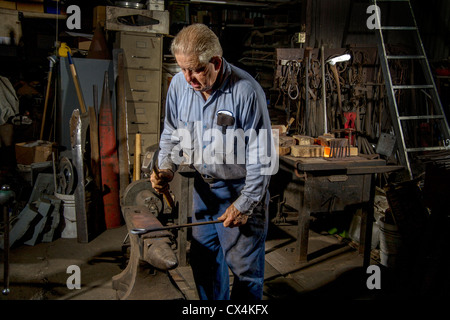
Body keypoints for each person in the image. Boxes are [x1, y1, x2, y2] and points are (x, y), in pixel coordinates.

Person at [150, 23, 277, 300]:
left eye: (195, 69)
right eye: (182, 69)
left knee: (244, 272)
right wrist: (166, 168)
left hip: (241, 190)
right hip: (203, 192)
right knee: (205, 263)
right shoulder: (178, 86)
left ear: (216, 62)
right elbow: (171, 133)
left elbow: (262, 158)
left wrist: (244, 204)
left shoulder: (246, 92)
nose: (188, 78)